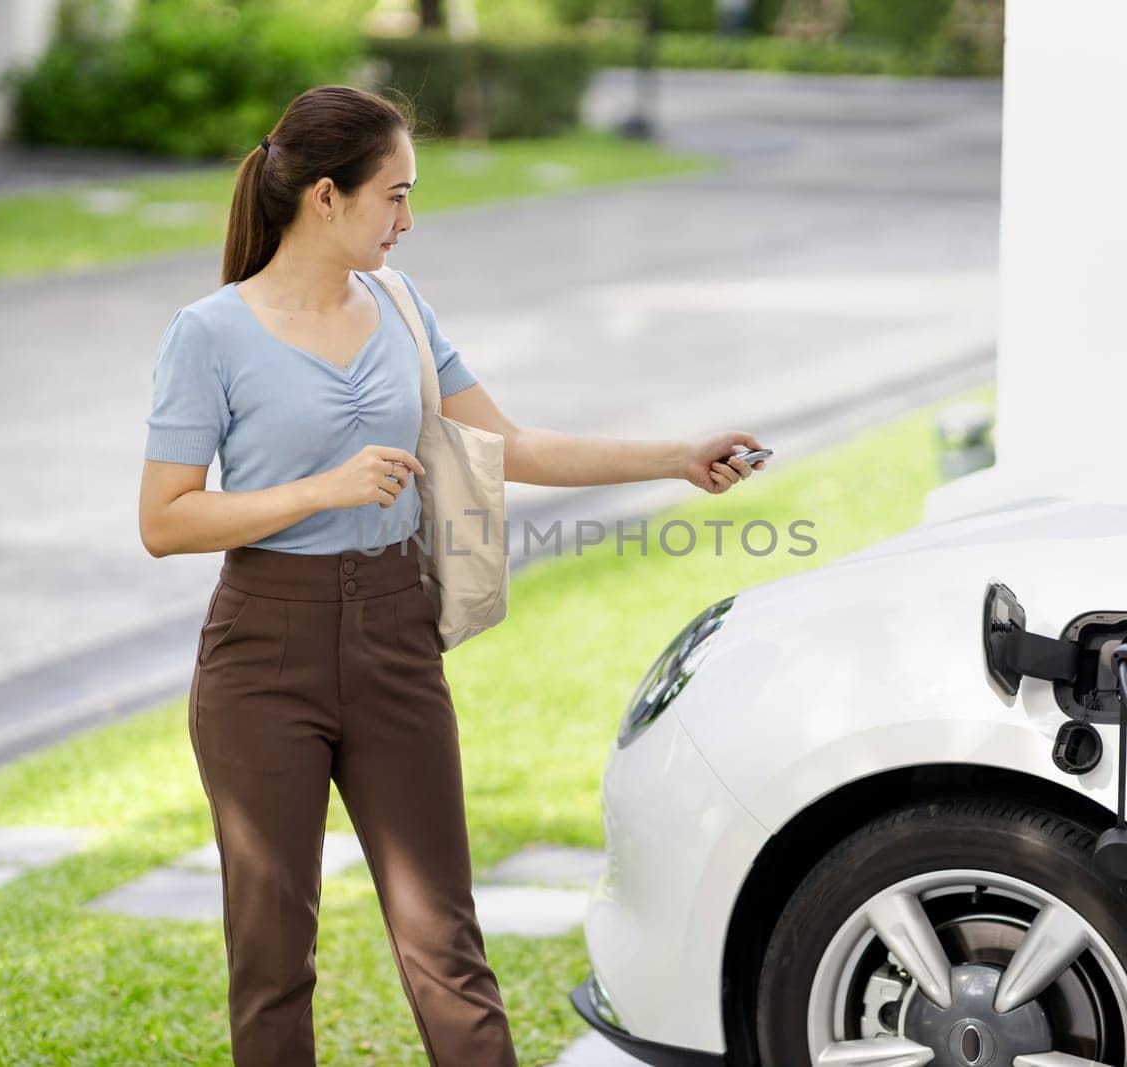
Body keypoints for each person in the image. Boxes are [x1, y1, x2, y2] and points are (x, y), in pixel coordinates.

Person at [136, 83, 767, 1067]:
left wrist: (676, 456)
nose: (408, 219)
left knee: (445, 944)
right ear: (325, 198)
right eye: (393, 194)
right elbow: (165, 519)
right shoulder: (209, 333)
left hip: (393, 630)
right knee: (271, 955)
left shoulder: (399, 305)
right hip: (262, 650)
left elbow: (508, 443)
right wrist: (318, 490)